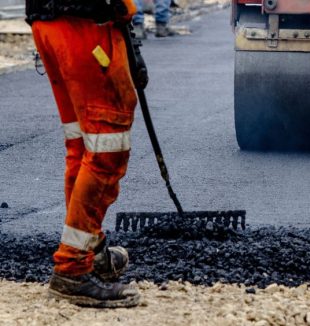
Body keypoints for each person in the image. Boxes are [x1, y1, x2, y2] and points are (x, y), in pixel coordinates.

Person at [26, 0, 142, 308]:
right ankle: (72, 269)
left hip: (49, 22)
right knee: (107, 149)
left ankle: (88, 246)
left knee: (82, 145)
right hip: (83, 23)